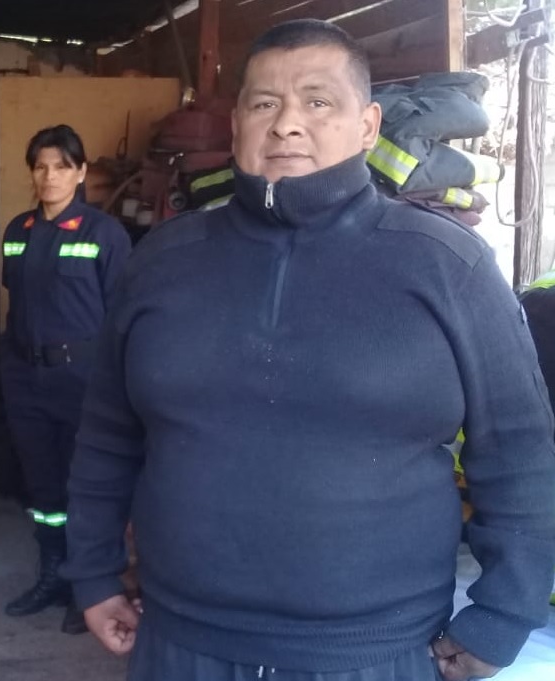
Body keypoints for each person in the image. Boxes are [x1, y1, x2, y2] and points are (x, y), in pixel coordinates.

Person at [61, 19, 555, 681]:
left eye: (318, 102)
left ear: (367, 125)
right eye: (264, 102)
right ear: (236, 122)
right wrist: (92, 570)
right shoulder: (161, 262)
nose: (287, 123)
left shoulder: (447, 266)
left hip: (372, 654)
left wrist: (498, 618)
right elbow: (106, 434)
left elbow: (519, 451)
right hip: (179, 643)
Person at [0, 125, 131, 633]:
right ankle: (52, 574)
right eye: (40, 166)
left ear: (80, 172)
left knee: (90, 486)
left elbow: (122, 315)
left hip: (85, 380)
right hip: (26, 377)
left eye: (60, 166)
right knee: (44, 485)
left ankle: (92, 589)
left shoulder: (104, 233)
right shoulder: (18, 231)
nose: (49, 176)